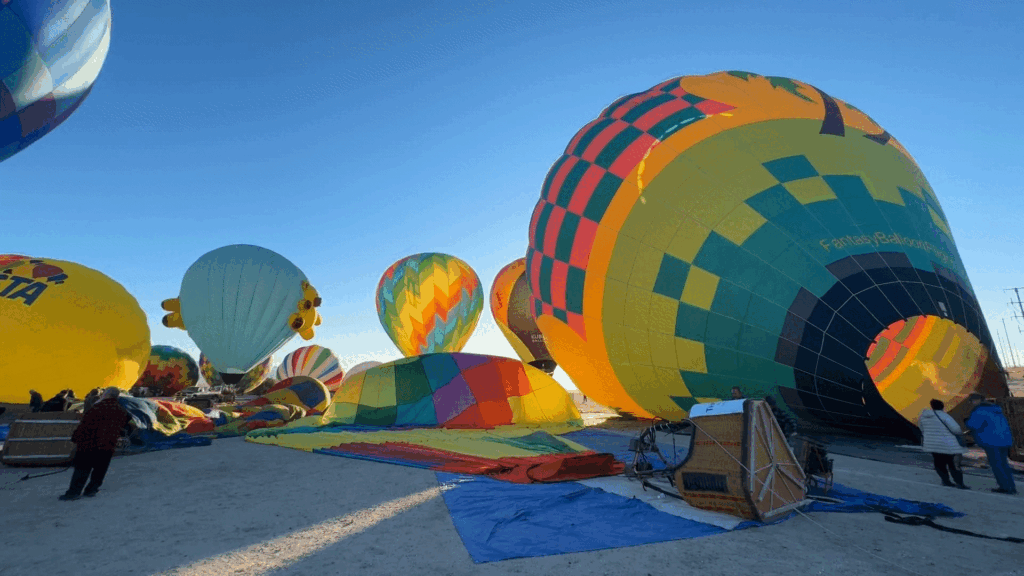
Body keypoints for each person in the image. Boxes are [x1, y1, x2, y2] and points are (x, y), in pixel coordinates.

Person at [59, 387, 131, 501]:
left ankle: (74, 492)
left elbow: (86, 425)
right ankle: (92, 489)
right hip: (108, 445)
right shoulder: (121, 410)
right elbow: (126, 421)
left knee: (82, 468)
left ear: (107, 395)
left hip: (90, 443)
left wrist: (76, 437)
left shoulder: (97, 408)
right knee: (100, 469)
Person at [965, 393, 1017, 495]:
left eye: (971, 401)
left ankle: (1005, 487)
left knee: (996, 464)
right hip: (1004, 440)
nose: (971, 403)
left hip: (991, 441)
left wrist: (967, 421)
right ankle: (1011, 486)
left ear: (977, 400)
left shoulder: (980, 410)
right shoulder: (996, 410)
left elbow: (974, 425)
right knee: (1004, 464)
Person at [918, 399, 969, 489]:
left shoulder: (923, 417)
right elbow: (956, 429)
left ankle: (946, 481)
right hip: (948, 445)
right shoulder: (944, 416)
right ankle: (959, 483)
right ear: (942, 406)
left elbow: (922, 429)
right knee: (953, 464)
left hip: (933, 444)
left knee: (939, 464)